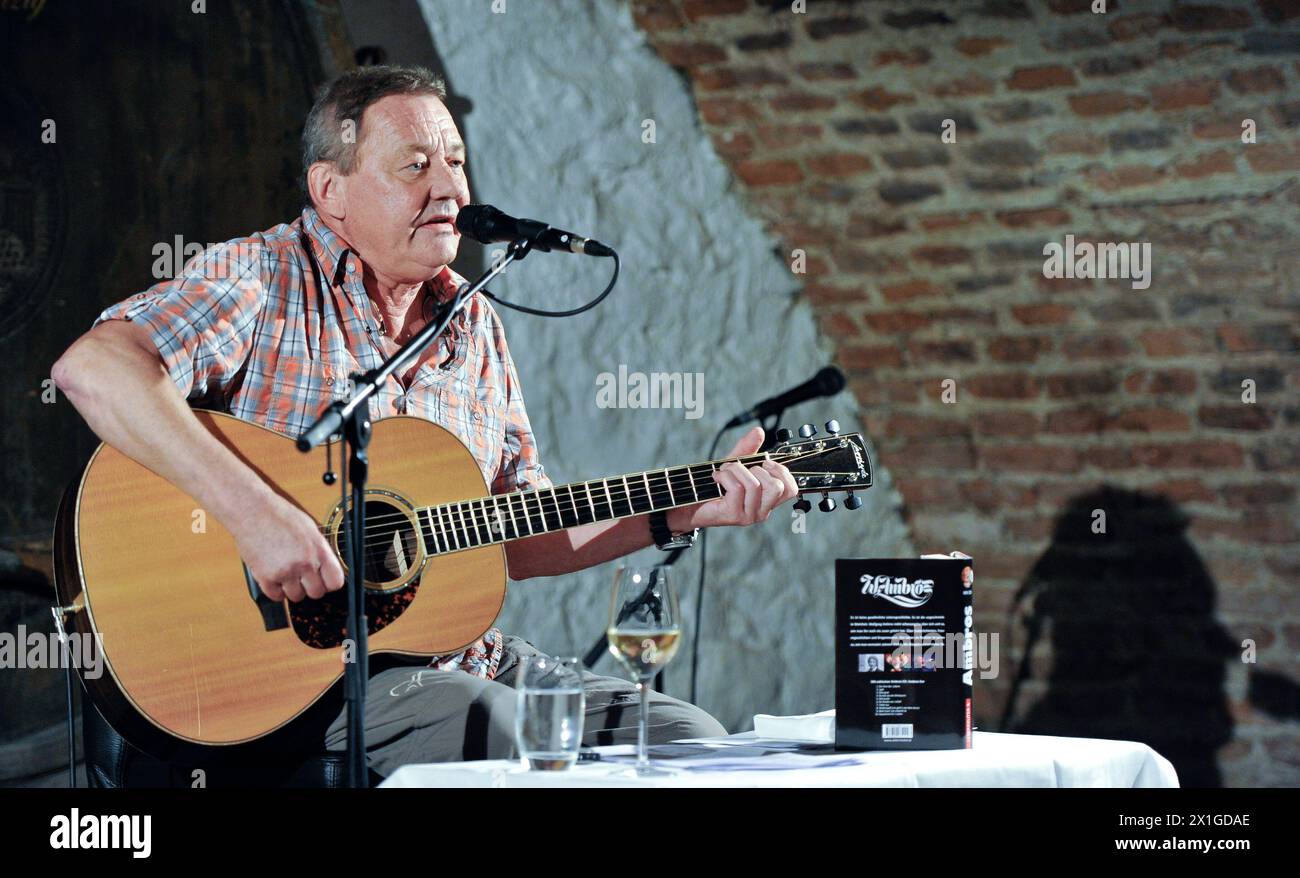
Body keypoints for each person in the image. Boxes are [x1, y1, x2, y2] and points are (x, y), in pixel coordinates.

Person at [51, 65, 800, 777]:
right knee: (501, 734)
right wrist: (256, 515)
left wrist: (680, 512)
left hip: (462, 660)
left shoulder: (472, 323)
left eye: (455, 162)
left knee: (692, 746)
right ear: (331, 191)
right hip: (316, 678)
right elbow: (93, 368)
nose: (448, 186)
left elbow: (518, 531)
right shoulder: (261, 276)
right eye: (415, 166)